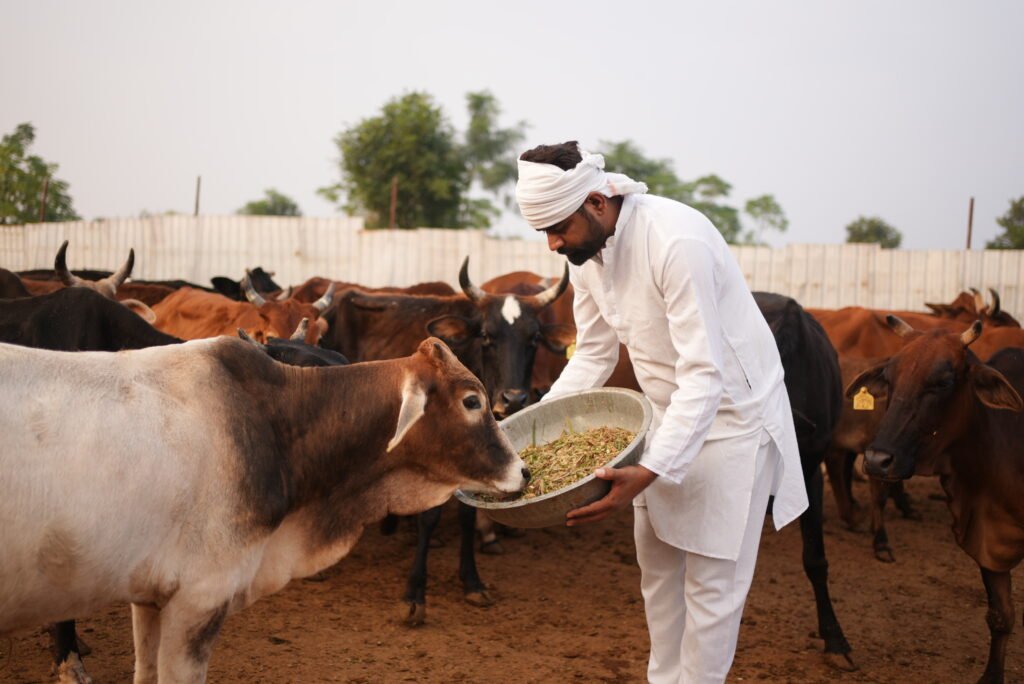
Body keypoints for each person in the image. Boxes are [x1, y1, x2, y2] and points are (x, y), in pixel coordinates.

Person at [515, 142, 808, 684]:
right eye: (545, 233)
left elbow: (703, 372)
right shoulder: (586, 257)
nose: (553, 243)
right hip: (664, 415)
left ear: (598, 202)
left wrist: (650, 470)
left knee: (711, 588)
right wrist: (530, 432)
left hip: (732, 421)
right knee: (658, 573)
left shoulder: (677, 240)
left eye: (558, 227)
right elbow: (596, 355)